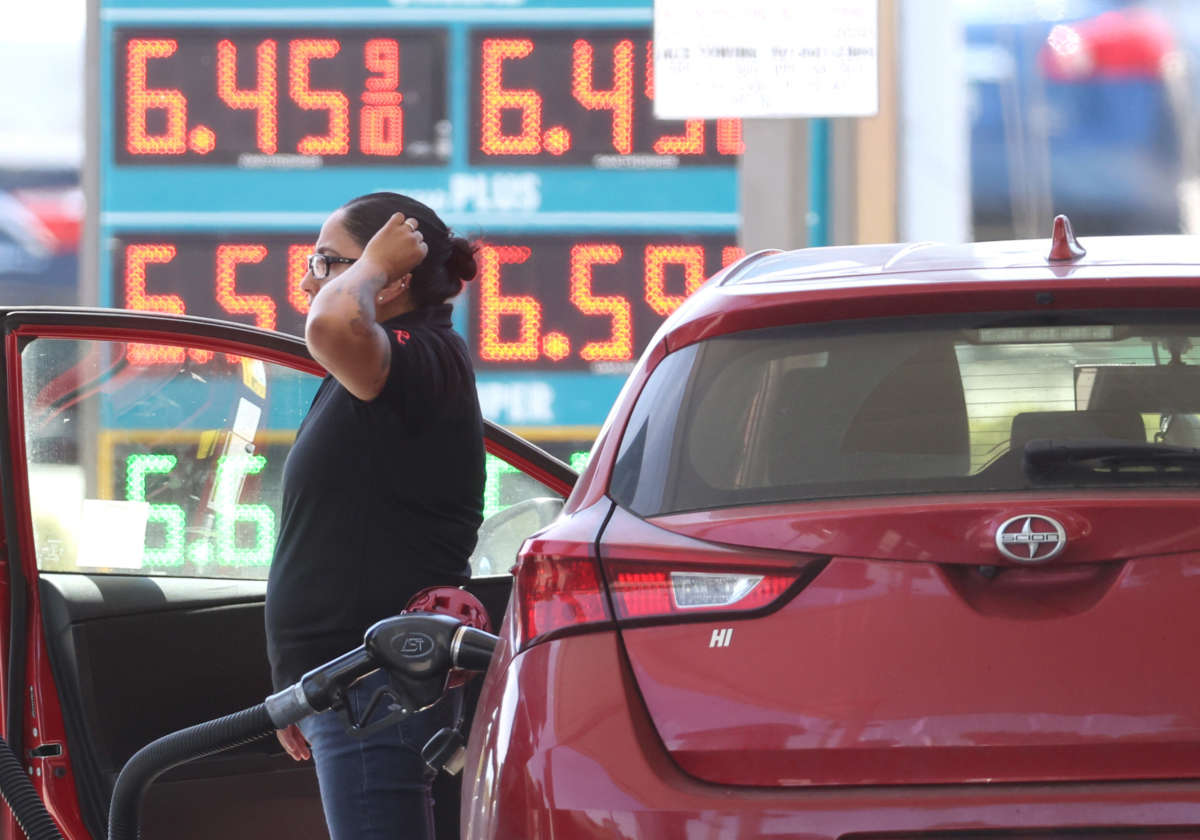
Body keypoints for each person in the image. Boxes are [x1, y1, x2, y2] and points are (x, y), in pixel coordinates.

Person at [264, 191, 485, 840]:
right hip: (344, 685)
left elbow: (330, 325)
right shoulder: (376, 367)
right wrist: (292, 684)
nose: (309, 281)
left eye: (327, 261)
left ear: (393, 282)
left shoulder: (417, 357)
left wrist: (369, 269)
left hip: (377, 684)